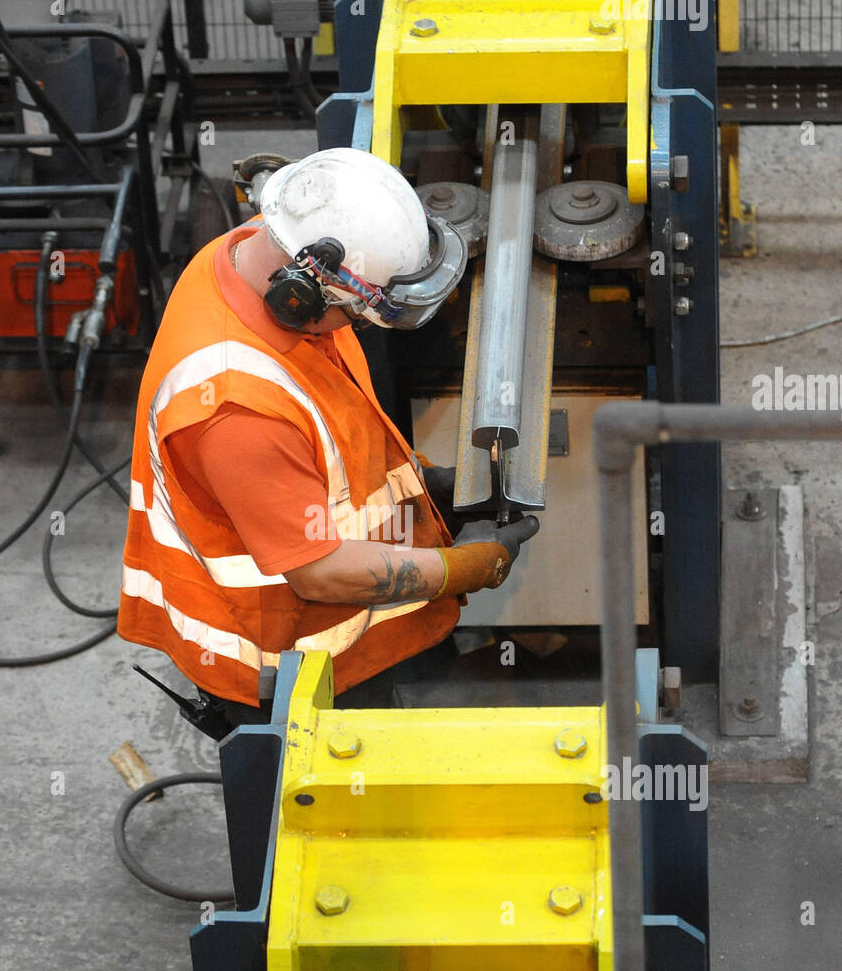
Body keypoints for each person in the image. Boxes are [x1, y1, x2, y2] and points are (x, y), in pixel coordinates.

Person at [117, 147, 538, 734]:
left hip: (323, 634)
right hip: (291, 667)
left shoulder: (253, 249)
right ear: (300, 295)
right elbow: (319, 574)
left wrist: (427, 482)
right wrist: (467, 568)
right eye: (358, 314)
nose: (361, 325)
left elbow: (329, 428)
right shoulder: (235, 410)